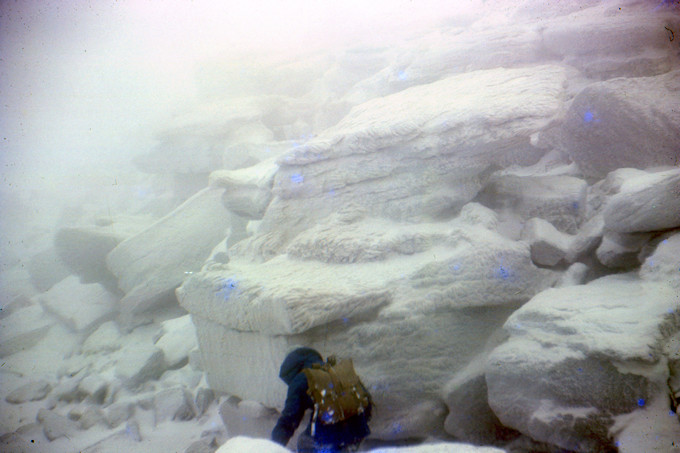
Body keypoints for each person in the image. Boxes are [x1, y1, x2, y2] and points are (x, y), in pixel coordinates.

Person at [271, 347, 372, 452]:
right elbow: (366, 401)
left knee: (304, 442)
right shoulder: (336, 370)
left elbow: (289, 420)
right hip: (358, 432)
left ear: (292, 371)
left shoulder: (302, 378)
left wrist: (271, 447)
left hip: (327, 439)